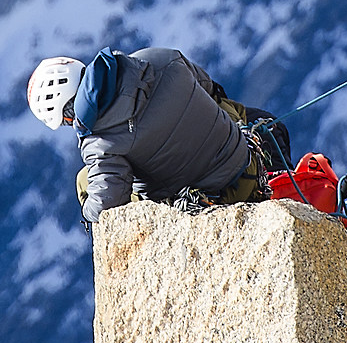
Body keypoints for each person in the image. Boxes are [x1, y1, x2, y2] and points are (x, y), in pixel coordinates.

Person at [27, 47, 288, 225]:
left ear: (68, 114)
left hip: (218, 197)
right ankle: (279, 175)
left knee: (86, 180)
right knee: (237, 110)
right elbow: (209, 88)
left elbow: (108, 201)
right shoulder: (156, 57)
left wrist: (88, 213)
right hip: (246, 162)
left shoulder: (99, 142)